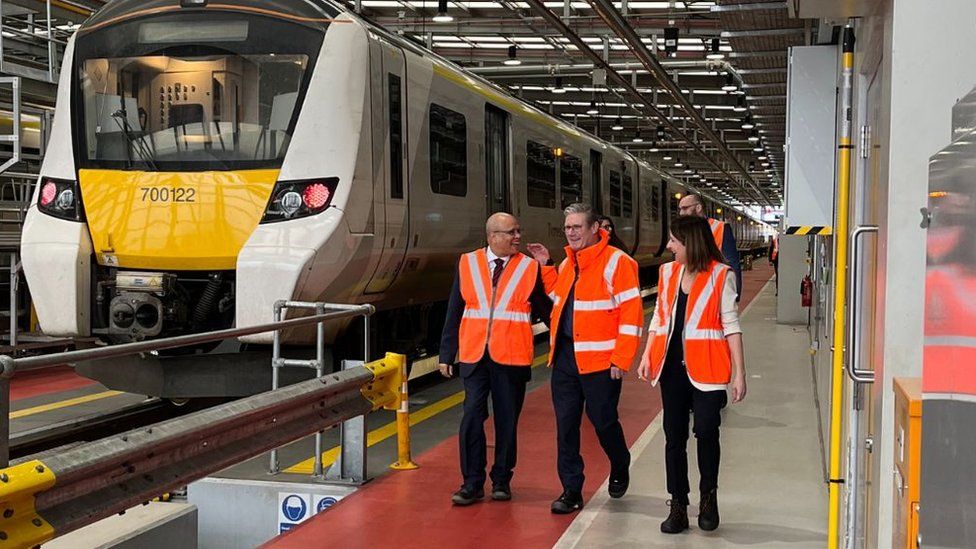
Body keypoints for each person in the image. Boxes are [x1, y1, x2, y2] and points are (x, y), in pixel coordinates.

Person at [526, 203, 643, 514]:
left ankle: (620, 461)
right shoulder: (569, 264)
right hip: (565, 357)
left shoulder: (619, 262)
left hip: (601, 361)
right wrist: (546, 264)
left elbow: (631, 315)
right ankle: (571, 489)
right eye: (567, 227)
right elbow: (557, 298)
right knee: (566, 426)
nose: (571, 232)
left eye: (577, 226)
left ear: (595, 229)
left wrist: (621, 358)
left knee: (603, 421)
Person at [637, 215, 747, 534]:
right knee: (674, 437)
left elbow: (731, 326)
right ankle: (679, 505)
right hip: (671, 369)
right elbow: (659, 318)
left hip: (709, 368)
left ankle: (708, 498)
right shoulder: (667, 272)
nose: (669, 247)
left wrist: (739, 373)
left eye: (673, 241)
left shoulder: (720, 274)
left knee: (706, 432)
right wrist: (647, 355)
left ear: (689, 243)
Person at [439, 212, 553, 506]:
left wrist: (569, 339)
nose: (518, 237)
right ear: (492, 237)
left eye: (518, 231)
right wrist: (447, 354)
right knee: (472, 417)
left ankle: (502, 479)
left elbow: (546, 310)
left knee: (507, 421)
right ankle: (471, 483)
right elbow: (454, 309)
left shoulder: (529, 268)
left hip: (512, 357)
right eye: (511, 232)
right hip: (475, 355)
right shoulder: (468, 263)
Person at [678, 194, 742, 301]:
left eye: (685, 208)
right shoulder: (680, 232)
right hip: (688, 291)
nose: (681, 213)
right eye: (680, 209)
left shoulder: (721, 228)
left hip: (713, 290)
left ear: (698, 208)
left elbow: (732, 264)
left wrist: (734, 295)